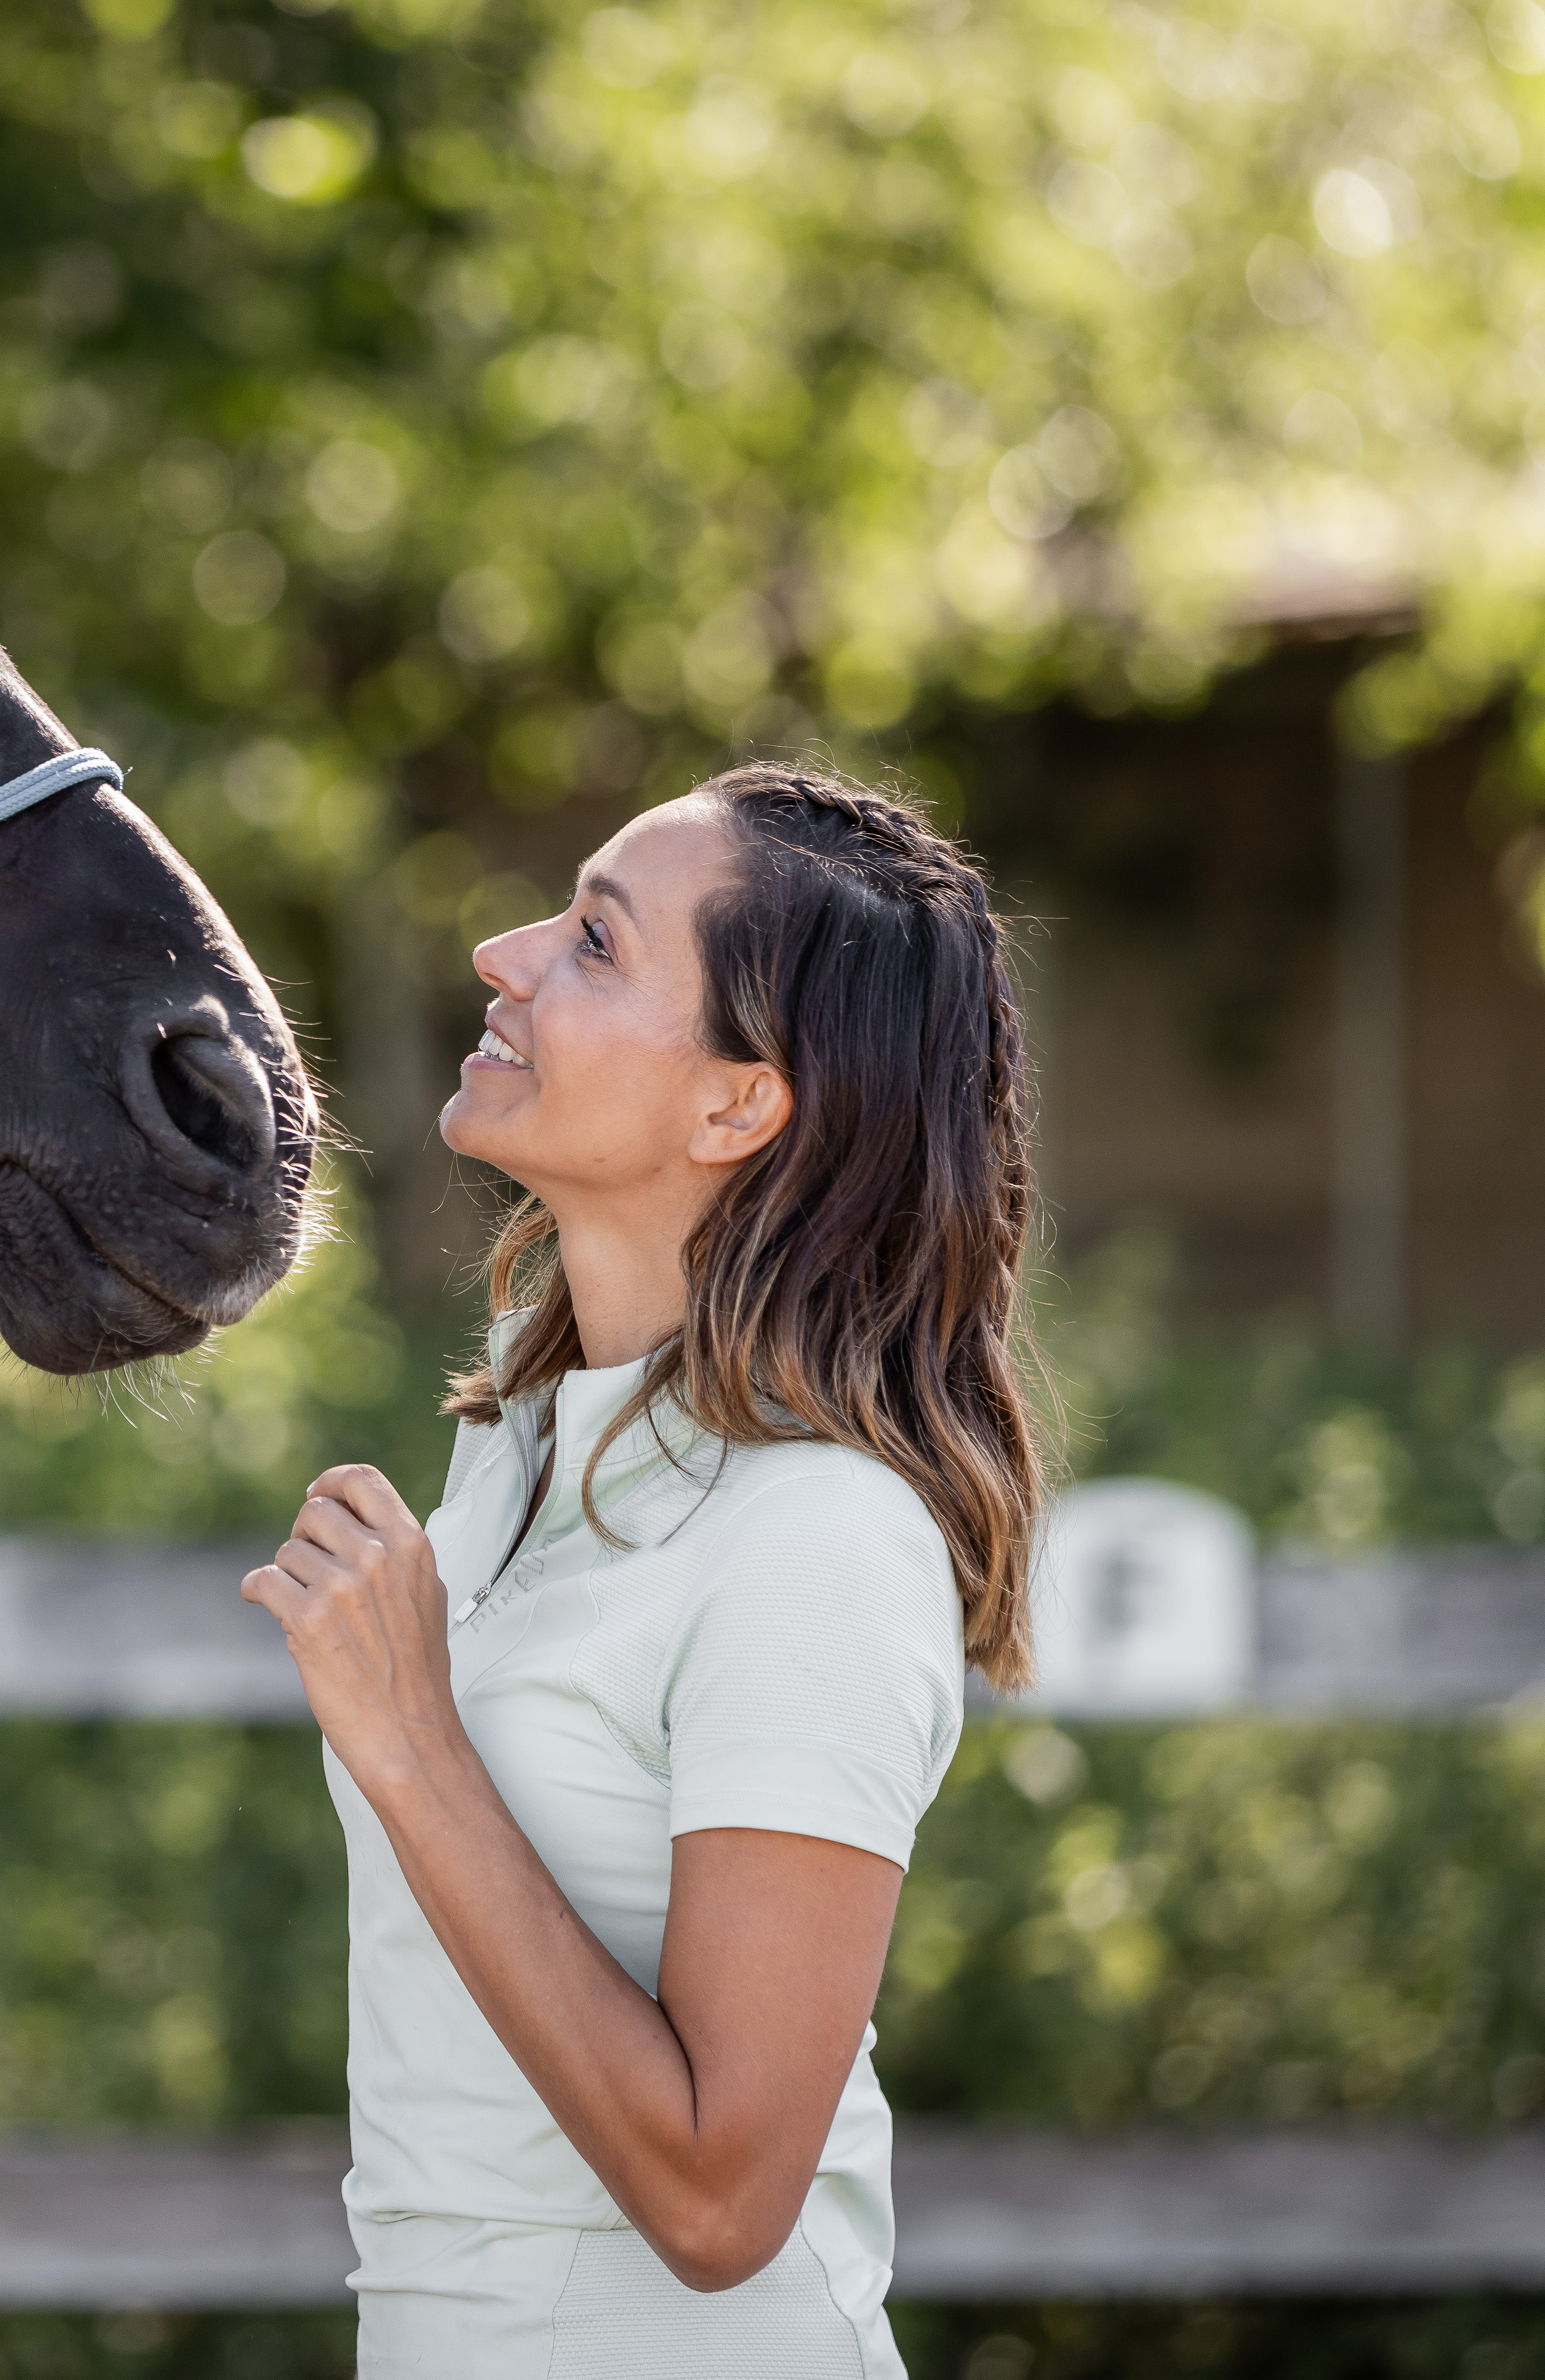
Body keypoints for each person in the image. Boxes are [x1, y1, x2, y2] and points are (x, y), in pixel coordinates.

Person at [241, 761, 1043, 2376]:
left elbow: (719, 2195)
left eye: (596, 943)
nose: (504, 955)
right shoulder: (528, 1446)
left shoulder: (818, 1534)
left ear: (738, 1104)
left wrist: (413, 1744)